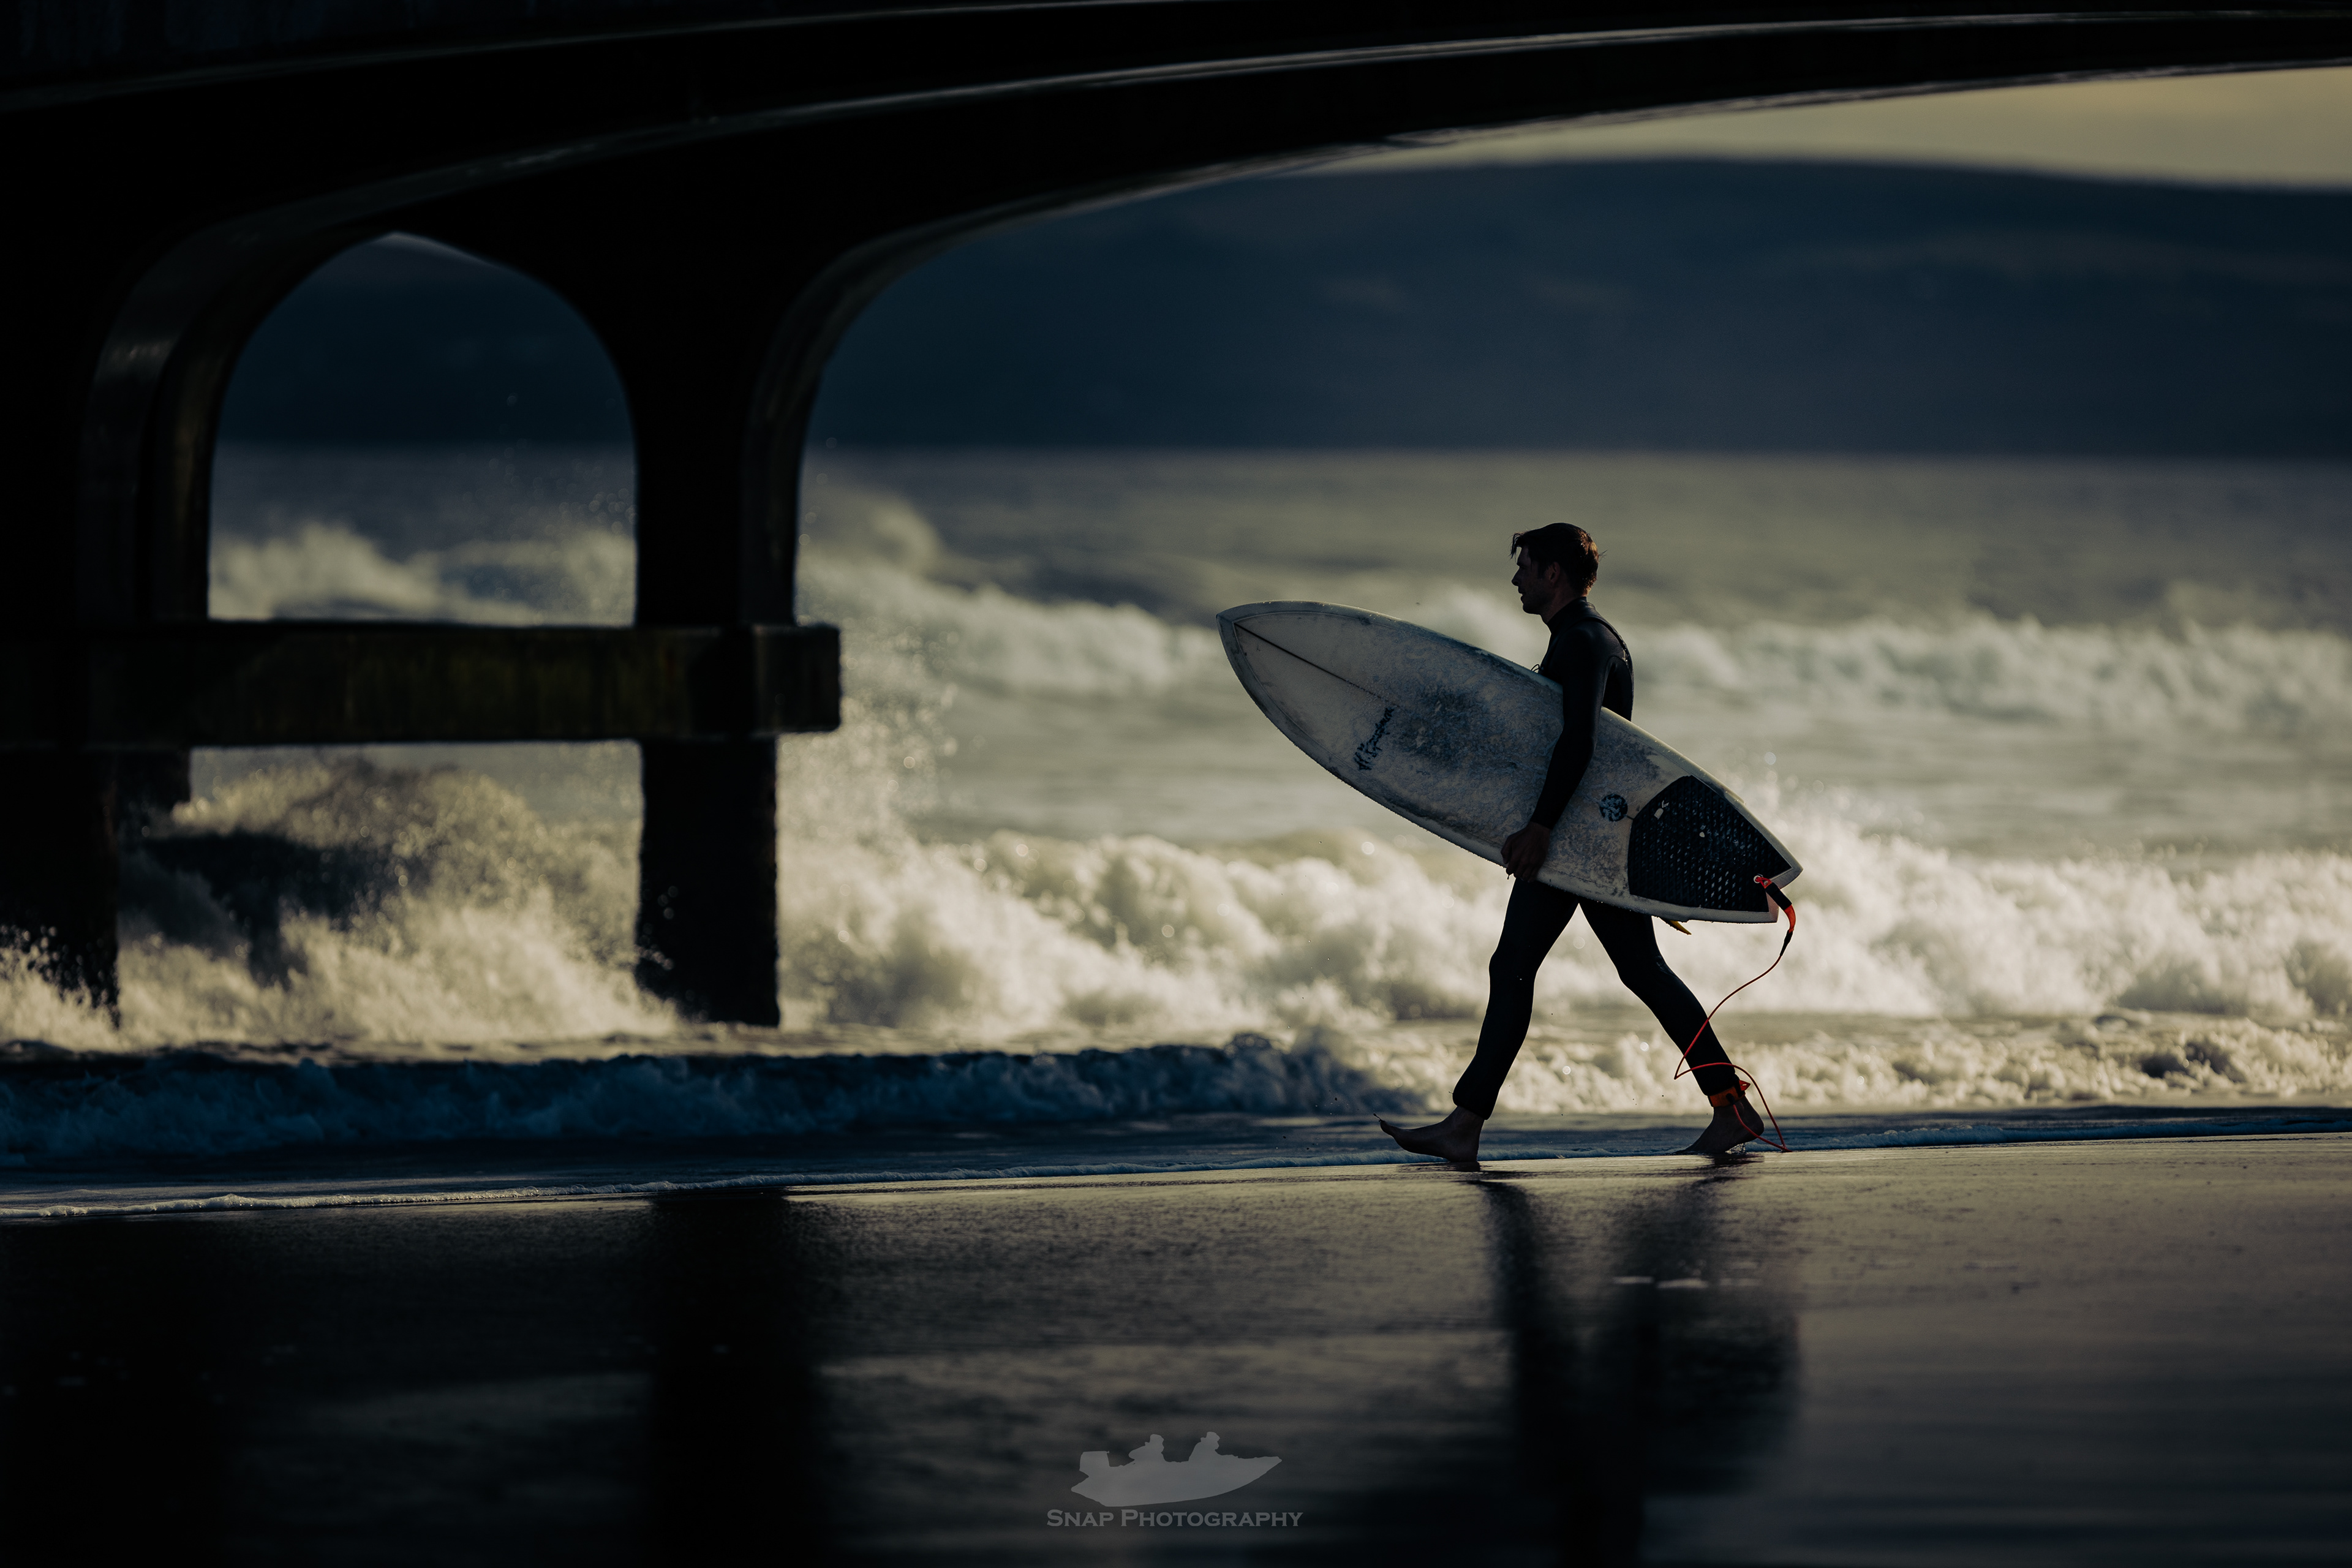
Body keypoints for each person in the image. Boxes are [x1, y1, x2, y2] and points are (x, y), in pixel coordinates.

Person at [1379, 523, 1763, 1162]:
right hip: (1594, 836)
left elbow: (1579, 742)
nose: (1517, 579)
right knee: (1638, 970)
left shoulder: (1583, 643)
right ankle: (1732, 1106)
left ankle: (1465, 1124)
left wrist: (1541, 829)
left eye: (1526, 566)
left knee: (1517, 967)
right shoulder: (1591, 639)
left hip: (1575, 840)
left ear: (1554, 572)